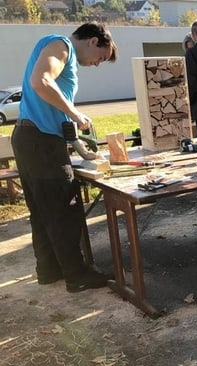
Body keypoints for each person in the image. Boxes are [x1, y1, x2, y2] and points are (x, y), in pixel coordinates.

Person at [11, 22, 117, 293]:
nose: (96, 64)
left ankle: (49, 270)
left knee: (43, 210)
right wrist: (76, 113)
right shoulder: (61, 46)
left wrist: (77, 144)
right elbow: (40, 81)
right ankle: (76, 275)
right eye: (100, 58)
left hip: (31, 139)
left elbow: (49, 108)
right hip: (41, 143)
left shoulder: (58, 48)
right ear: (93, 41)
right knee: (65, 209)